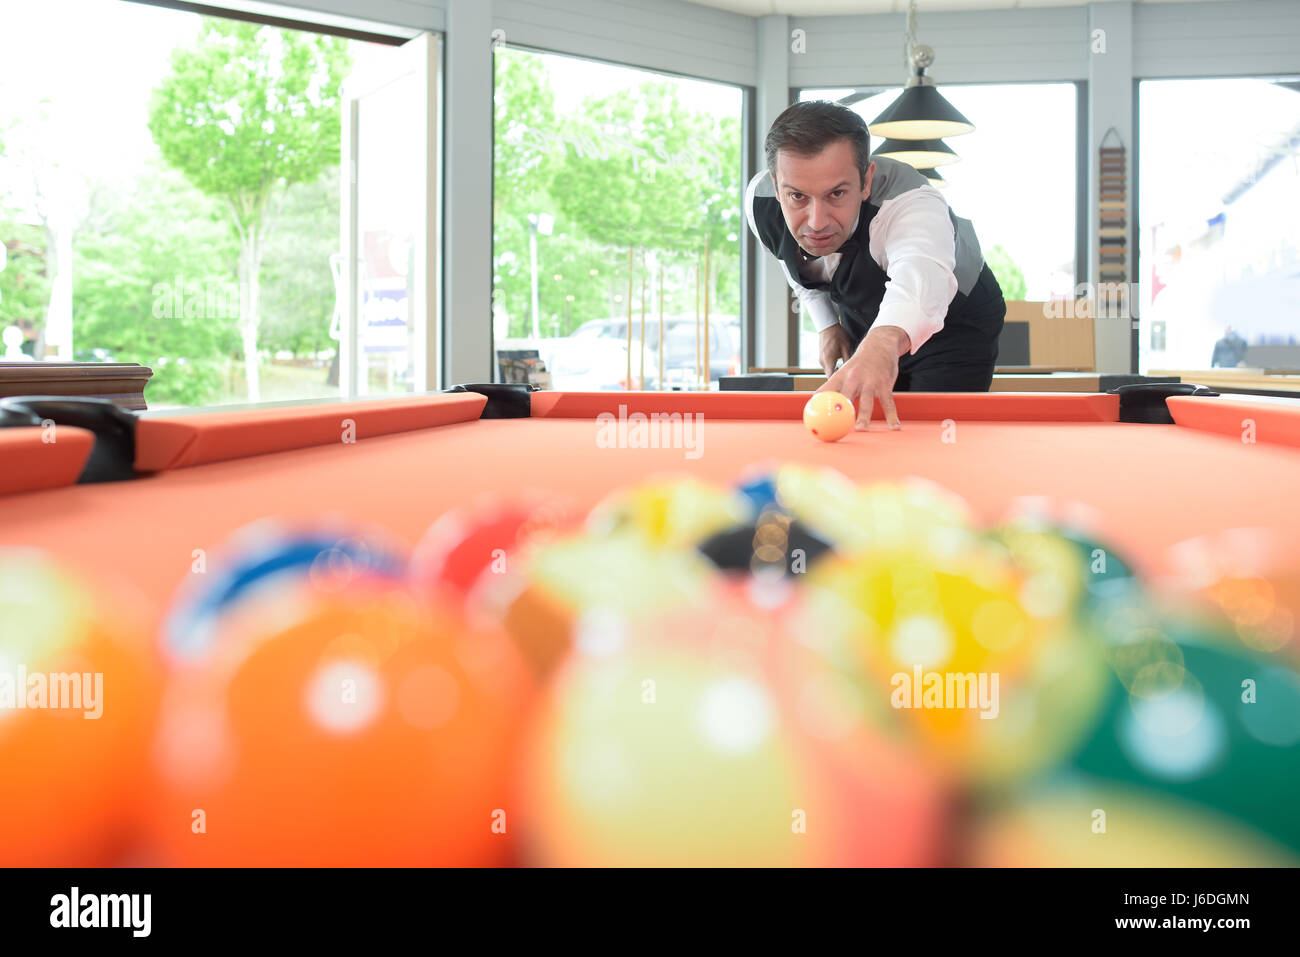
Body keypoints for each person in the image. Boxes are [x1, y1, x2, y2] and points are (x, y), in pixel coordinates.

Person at [746, 100, 1006, 430]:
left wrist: (881, 344)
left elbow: (920, 275)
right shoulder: (760, 203)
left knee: (929, 438)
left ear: (866, 180)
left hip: (956, 323)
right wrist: (827, 324)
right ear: (776, 183)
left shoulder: (912, 204)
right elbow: (792, 263)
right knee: (867, 430)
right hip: (867, 313)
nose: (816, 222)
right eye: (797, 196)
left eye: (836, 194)